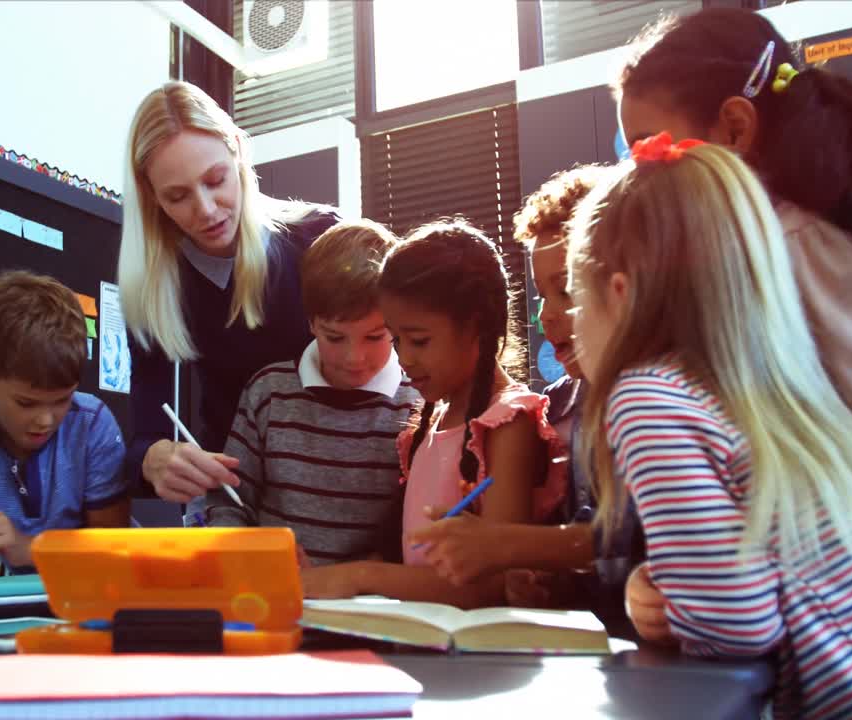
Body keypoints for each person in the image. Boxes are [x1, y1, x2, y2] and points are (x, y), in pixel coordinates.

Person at [570, 136, 852, 719]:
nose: (573, 323)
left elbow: (737, 624)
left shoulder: (647, 395)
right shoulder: (774, 388)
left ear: (621, 296)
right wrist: (667, 582)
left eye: (577, 298)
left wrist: (668, 608)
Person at [410, 166, 643, 637]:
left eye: (568, 290)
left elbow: (626, 536)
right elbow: (581, 547)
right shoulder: (556, 408)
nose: (547, 313)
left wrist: (505, 544)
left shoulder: (655, 401)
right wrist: (545, 584)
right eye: (540, 293)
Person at [302, 220, 567, 607]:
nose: (405, 359)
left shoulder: (508, 423)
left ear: (475, 326)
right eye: (396, 340)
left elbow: (492, 587)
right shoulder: (427, 420)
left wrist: (361, 576)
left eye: (420, 341)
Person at [118, 81, 339, 506]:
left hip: (342, 482)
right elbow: (146, 434)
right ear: (151, 197)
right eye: (177, 196)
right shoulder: (155, 287)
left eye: (216, 179)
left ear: (238, 149)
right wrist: (152, 458)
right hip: (239, 494)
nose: (204, 209)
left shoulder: (318, 239)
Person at [203, 220, 417, 565]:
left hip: (372, 608)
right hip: (274, 593)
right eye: (335, 337)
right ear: (311, 322)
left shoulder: (416, 404)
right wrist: (250, 551)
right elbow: (228, 499)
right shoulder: (269, 393)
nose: (354, 358)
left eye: (375, 336)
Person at [0, 271, 129, 579]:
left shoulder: (93, 424)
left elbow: (114, 553)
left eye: (62, 400)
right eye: (26, 403)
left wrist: (31, 547)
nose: (45, 421)